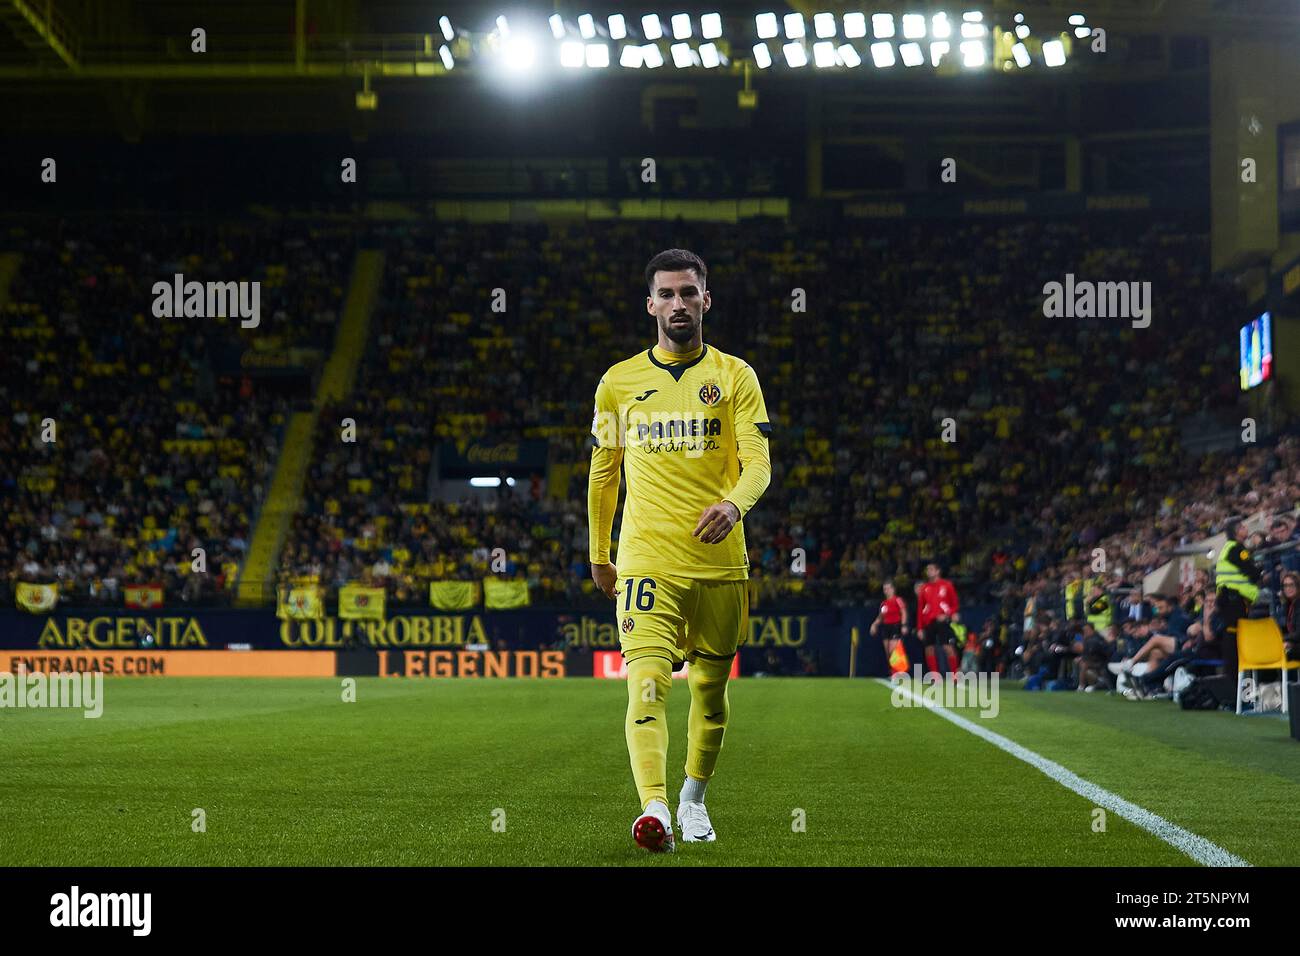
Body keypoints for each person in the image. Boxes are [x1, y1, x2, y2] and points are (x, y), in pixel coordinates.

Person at [587, 248, 773, 853]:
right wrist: (598, 552)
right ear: (650, 305)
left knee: (710, 692)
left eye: (687, 293)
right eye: (666, 294)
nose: (677, 304)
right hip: (644, 560)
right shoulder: (617, 383)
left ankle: (694, 798)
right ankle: (656, 809)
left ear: (705, 300)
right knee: (646, 683)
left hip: (720, 562)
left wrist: (734, 505)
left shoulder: (736, 376)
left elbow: (759, 464)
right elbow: (603, 473)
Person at [1215, 520, 1264, 677]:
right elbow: (1252, 572)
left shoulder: (1228, 548)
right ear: (1237, 532)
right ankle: (1237, 681)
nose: (1246, 528)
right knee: (1234, 640)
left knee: (1232, 638)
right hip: (1234, 599)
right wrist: (1262, 570)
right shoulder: (1236, 548)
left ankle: (1235, 681)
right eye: (1243, 527)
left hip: (1228, 597)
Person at [919, 561, 959, 676]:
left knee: (948, 648)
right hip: (928, 622)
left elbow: (955, 604)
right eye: (927, 570)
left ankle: (955, 674)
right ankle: (935, 676)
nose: (929, 572)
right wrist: (920, 628)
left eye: (931, 569)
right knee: (929, 649)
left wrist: (948, 614)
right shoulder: (924, 588)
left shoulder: (947, 585)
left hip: (942, 621)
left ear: (937, 571)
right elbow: (920, 609)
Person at [871, 580, 908, 671]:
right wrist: (874, 625)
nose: (886, 591)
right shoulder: (883, 603)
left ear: (893, 589)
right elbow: (880, 616)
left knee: (893, 651)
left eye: (888, 588)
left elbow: (903, 612)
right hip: (886, 627)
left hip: (895, 626)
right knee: (888, 652)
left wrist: (904, 625)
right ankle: (893, 672)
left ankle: (899, 671)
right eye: (885, 589)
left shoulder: (898, 600)